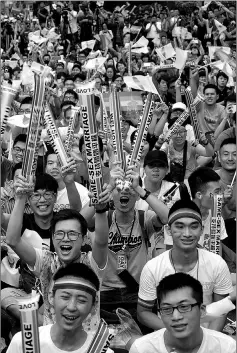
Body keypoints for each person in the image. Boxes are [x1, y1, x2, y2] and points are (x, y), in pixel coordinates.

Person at [4, 171, 110, 332]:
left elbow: (101, 243)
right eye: (59, 234)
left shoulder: (91, 263)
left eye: (72, 234)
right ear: (52, 238)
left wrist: (101, 210)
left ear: (83, 239)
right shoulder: (45, 260)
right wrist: (21, 198)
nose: (65, 238)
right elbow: (12, 240)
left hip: (86, 344)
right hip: (50, 343)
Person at [137, 200, 233, 332]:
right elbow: (143, 313)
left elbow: (221, 309)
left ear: (201, 230)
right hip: (168, 340)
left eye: (194, 226)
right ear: (169, 230)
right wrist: (176, 332)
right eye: (180, 226)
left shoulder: (217, 264)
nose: (187, 234)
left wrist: (207, 342)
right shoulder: (153, 267)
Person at [6, 263, 113, 353]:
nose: (71, 307)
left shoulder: (101, 350)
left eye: (82, 300)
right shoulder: (24, 343)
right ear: (51, 298)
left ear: (93, 306)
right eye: (65, 297)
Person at [130, 273, 236, 353]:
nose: (176, 317)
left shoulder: (226, 347)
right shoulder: (142, 349)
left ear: (202, 310)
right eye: (167, 309)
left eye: (184, 307)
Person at [44, 148, 89, 212]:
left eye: (59, 163)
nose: (54, 167)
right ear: (45, 168)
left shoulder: (82, 192)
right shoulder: (38, 191)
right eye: (50, 163)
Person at [216, 138, 236, 220]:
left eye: (235, 154)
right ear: (219, 157)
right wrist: (223, 199)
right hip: (217, 229)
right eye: (226, 154)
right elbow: (204, 209)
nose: (230, 158)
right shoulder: (209, 179)